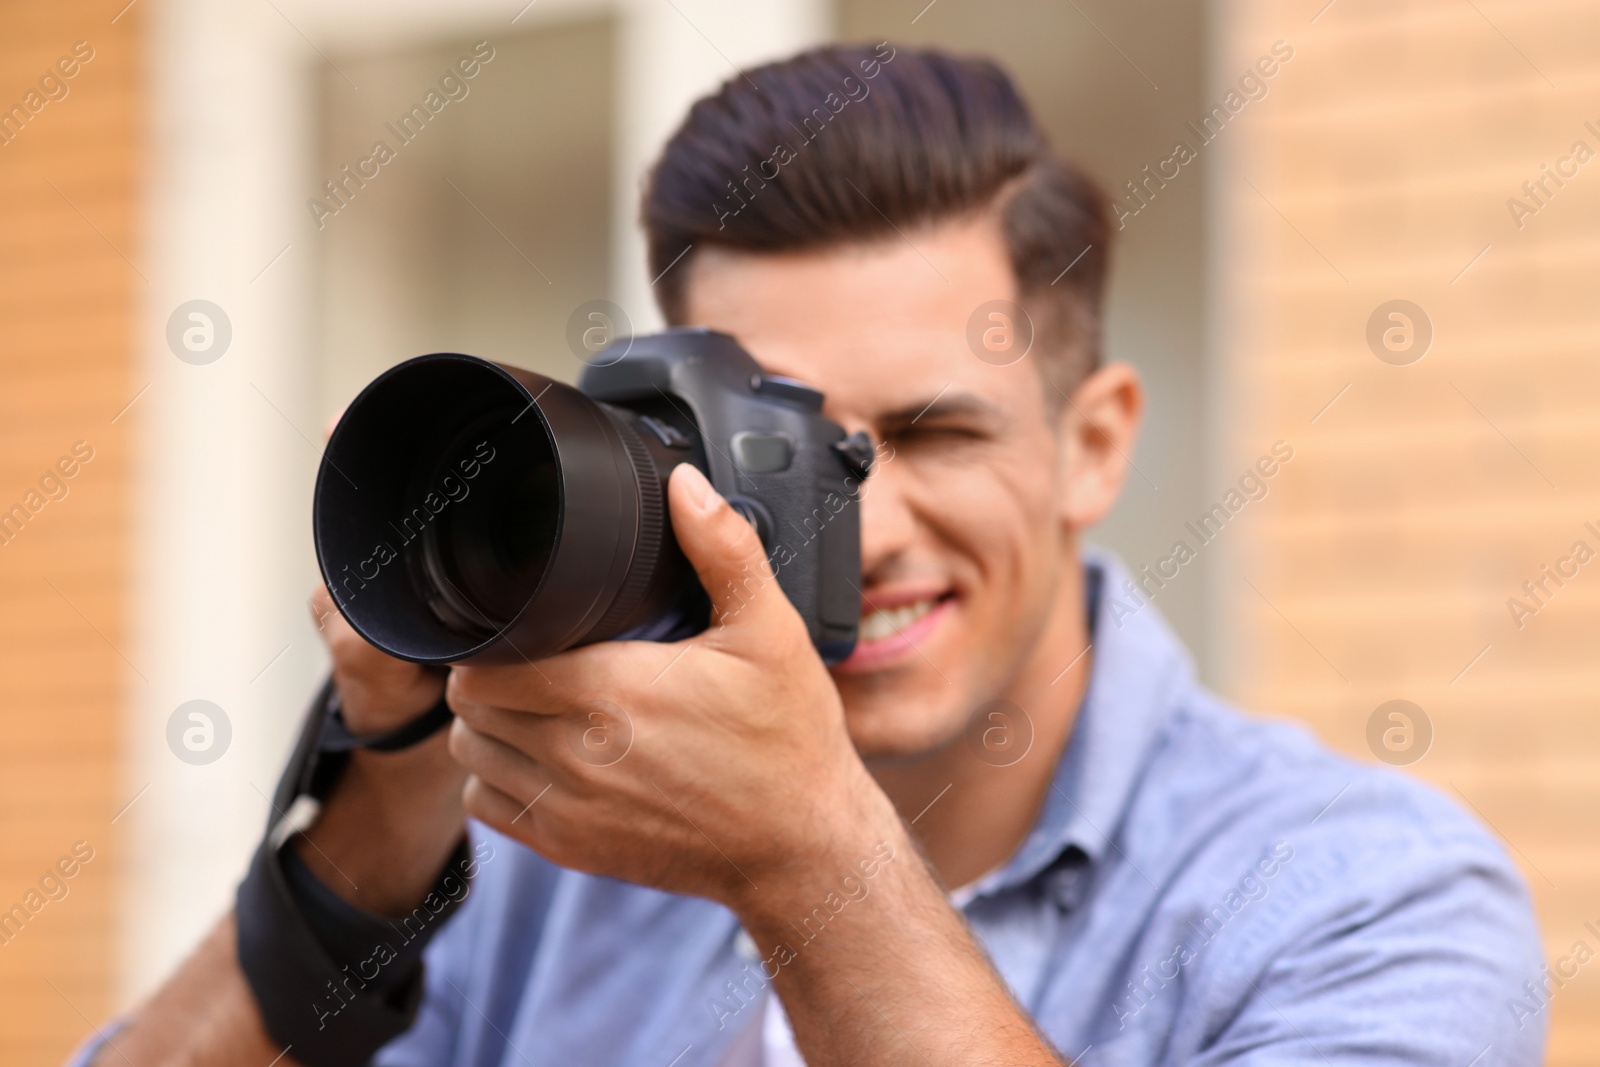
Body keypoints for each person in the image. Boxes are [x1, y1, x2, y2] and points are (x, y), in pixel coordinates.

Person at [79, 43, 1545, 1067]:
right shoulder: (557, 850)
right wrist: (378, 831)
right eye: (787, 452)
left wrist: (810, 863)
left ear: (1094, 442)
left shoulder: (1361, 896)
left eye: (933, 433)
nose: (873, 526)